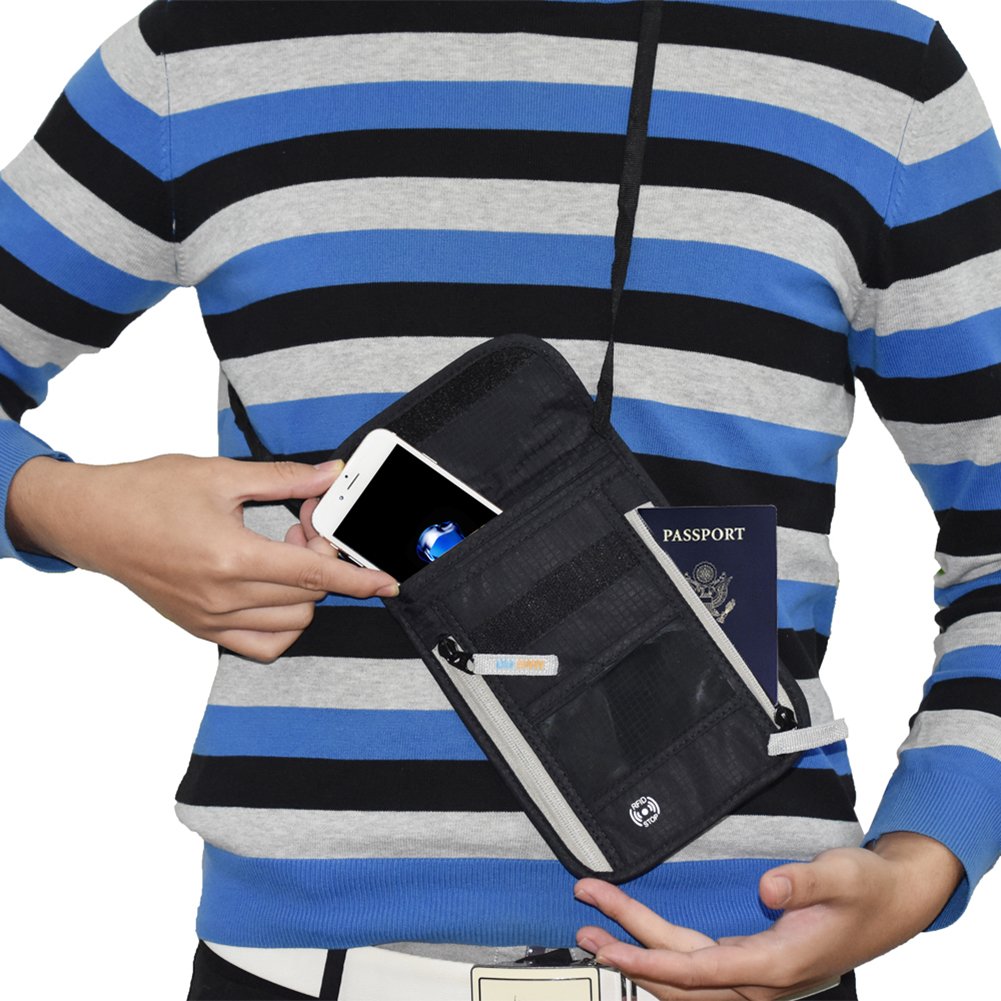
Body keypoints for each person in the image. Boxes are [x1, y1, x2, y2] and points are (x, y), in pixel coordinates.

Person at [1, 1, 999, 999]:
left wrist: (928, 851)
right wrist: (66, 509)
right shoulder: (201, 51)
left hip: (745, 948)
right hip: (292, 968)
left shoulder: (876, 73)